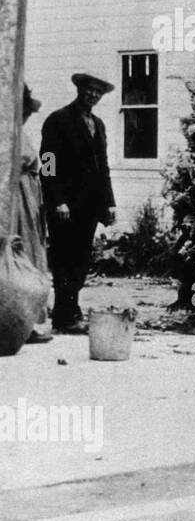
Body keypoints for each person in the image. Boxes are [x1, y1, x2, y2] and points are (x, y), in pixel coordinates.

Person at [41, 73, 117, 334]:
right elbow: (48, 163)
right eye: (89, 90)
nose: (93, 95)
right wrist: (57, 200)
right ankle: (64, 316)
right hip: (65, 206)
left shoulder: (99, 124)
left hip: (89, 205)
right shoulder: (58, 120)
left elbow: (103, 166)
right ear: (79, 89)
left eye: (98, 92)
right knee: (65, 258)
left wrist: (109, 202)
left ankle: (71, 309)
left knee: (82, 261)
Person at [17, 85, 53, 343]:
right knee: (21, 255)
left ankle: (27, 319)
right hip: (17, 199)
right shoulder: (9, 134)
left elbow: (47, 165)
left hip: (29, 196)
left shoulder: (20, 133)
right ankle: (19, 321)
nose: (27, 116)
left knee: (32, 250)